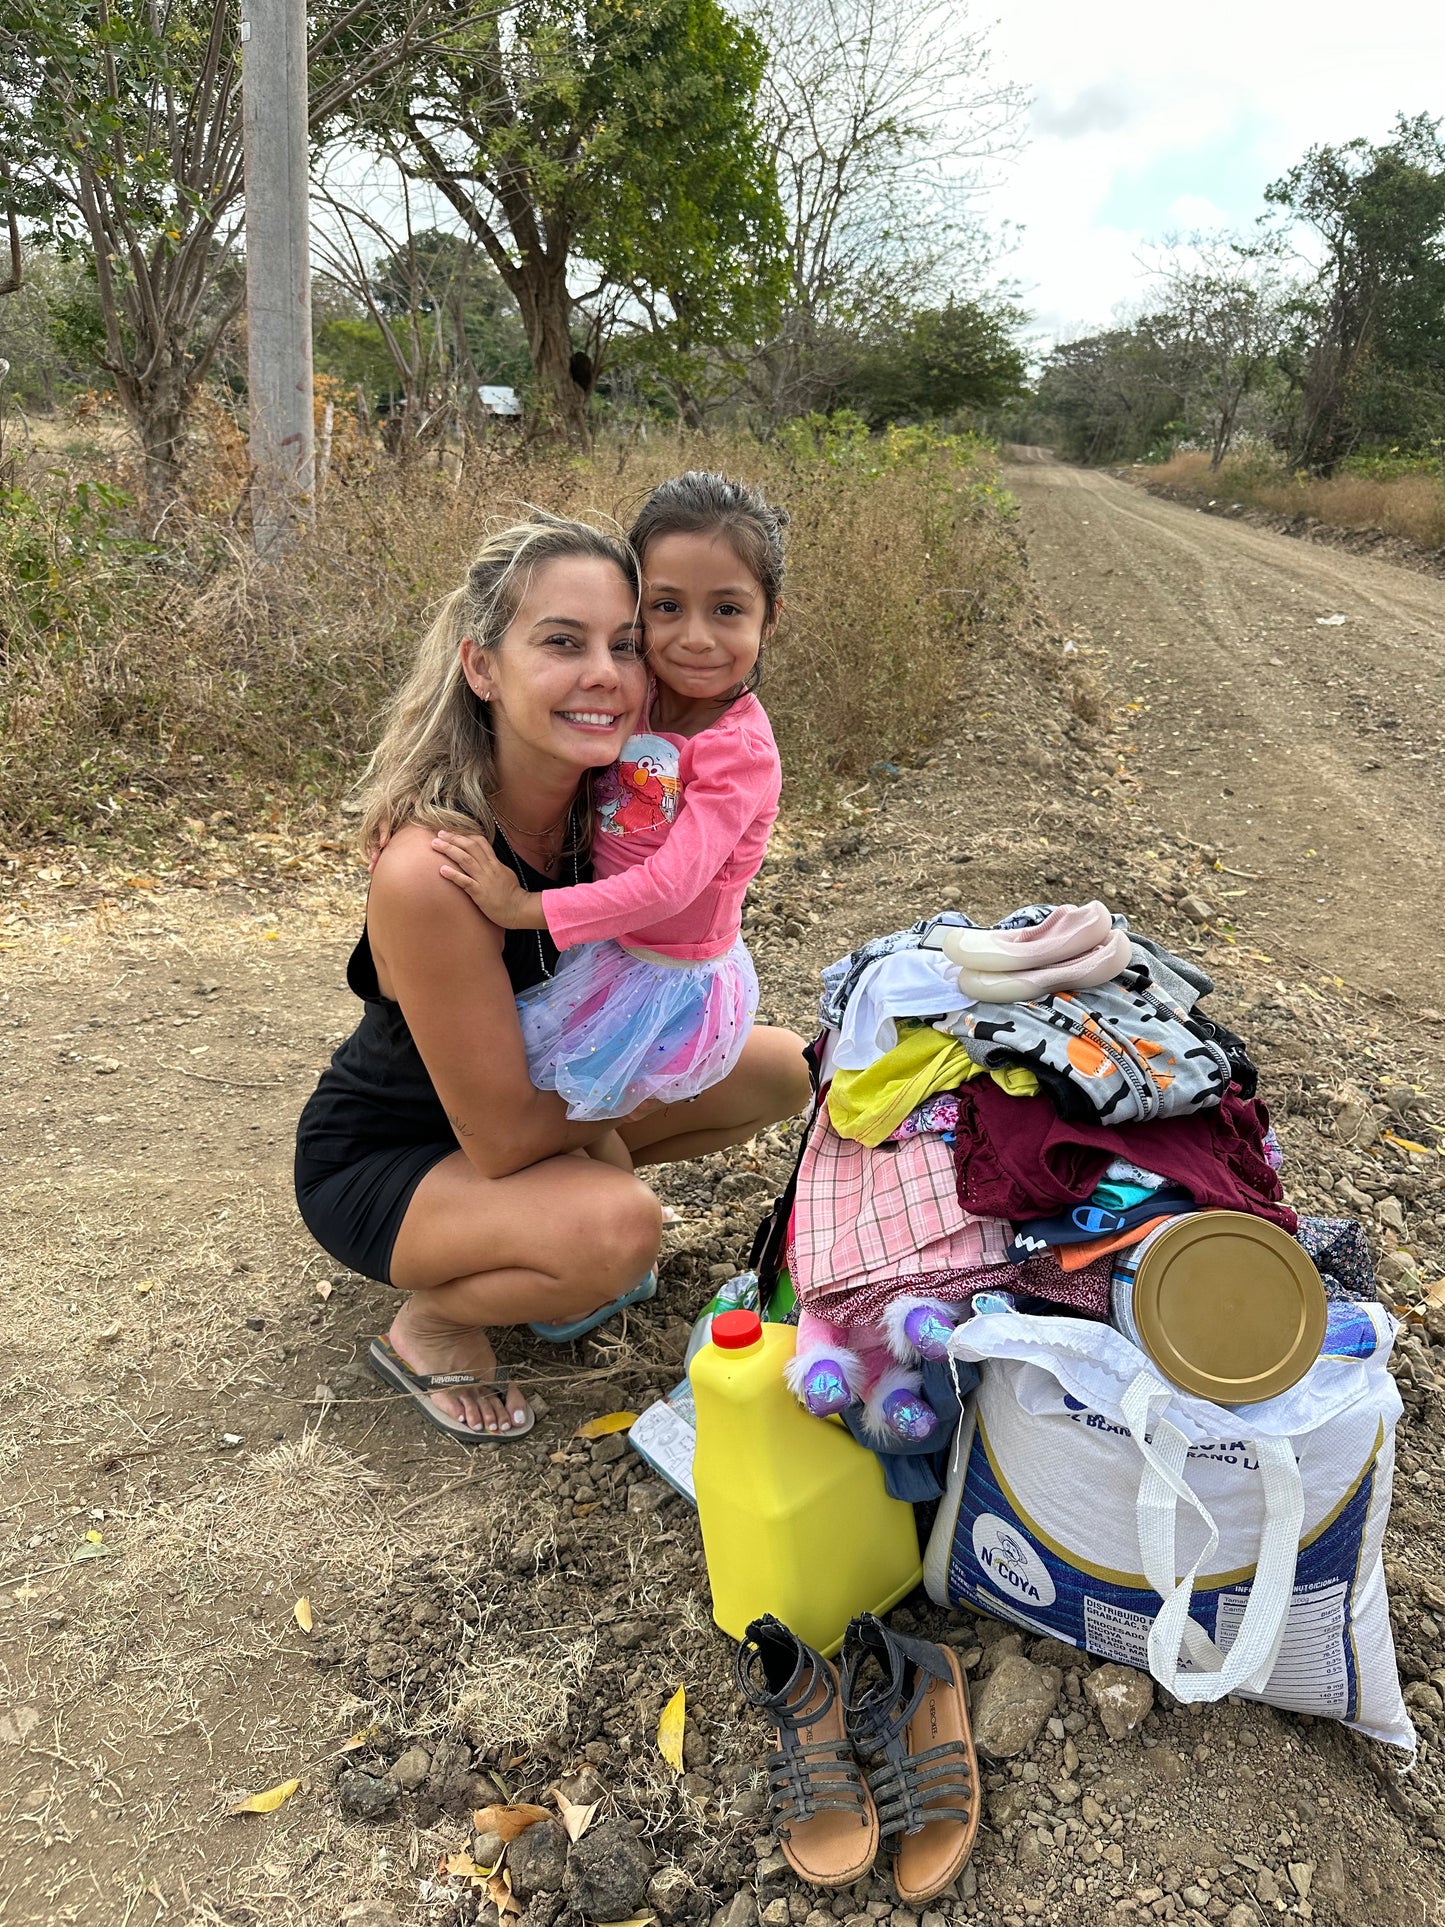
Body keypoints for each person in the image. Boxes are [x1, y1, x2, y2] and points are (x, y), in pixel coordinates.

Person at [293, 513, 811, 1444]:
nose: (605, 675)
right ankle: (437, 1319)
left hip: (543, 1103)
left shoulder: (605, 801)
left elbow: (699, 887)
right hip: (401, 1153)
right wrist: (605, 1145)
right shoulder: (435, 866)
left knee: (777, 1067)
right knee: (618, 1229)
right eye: (562, 643)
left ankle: (544, 1217)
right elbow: (496, 1137)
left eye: (624, 643)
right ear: (482, 667)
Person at [430, 471, 785, 1123]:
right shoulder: (636, 687)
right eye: (667, 606)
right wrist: (414, 802)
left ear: (770, 616)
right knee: (537, 1105)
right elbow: (521, 738)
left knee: (569, 1121)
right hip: (606, 947)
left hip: (662, 983)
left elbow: (669, 887)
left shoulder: (739, 755)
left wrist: (521, 907)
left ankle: (588, 1201)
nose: (695, 638)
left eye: (727, 609)